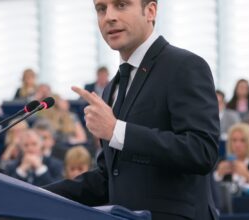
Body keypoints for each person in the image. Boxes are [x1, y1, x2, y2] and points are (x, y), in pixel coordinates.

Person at [44, 1, 220, 219]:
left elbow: (202, 151)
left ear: (151, 11)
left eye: (121, 5)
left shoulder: (185, 66)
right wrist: (37, 194)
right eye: (101, 9)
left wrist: (117, 131)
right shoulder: (111, 88)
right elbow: (109, 179)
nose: (109, 16)